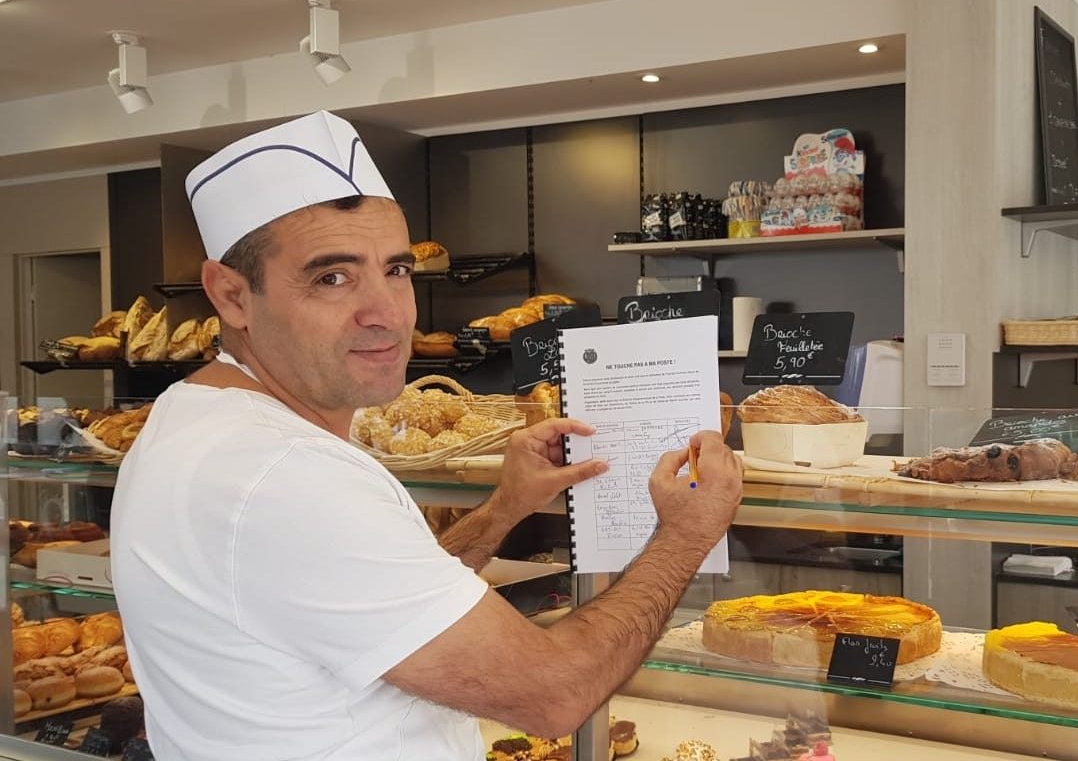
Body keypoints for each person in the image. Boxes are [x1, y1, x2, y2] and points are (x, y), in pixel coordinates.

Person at [110, 111, 743, 761]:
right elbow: (553, 693)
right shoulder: (283, 474)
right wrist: (685, 535)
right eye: (331, 277)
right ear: (231, 295)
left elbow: (370, 610)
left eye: (396, 270)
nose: (386, 313)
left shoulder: (190, 419)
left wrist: (503, 509)